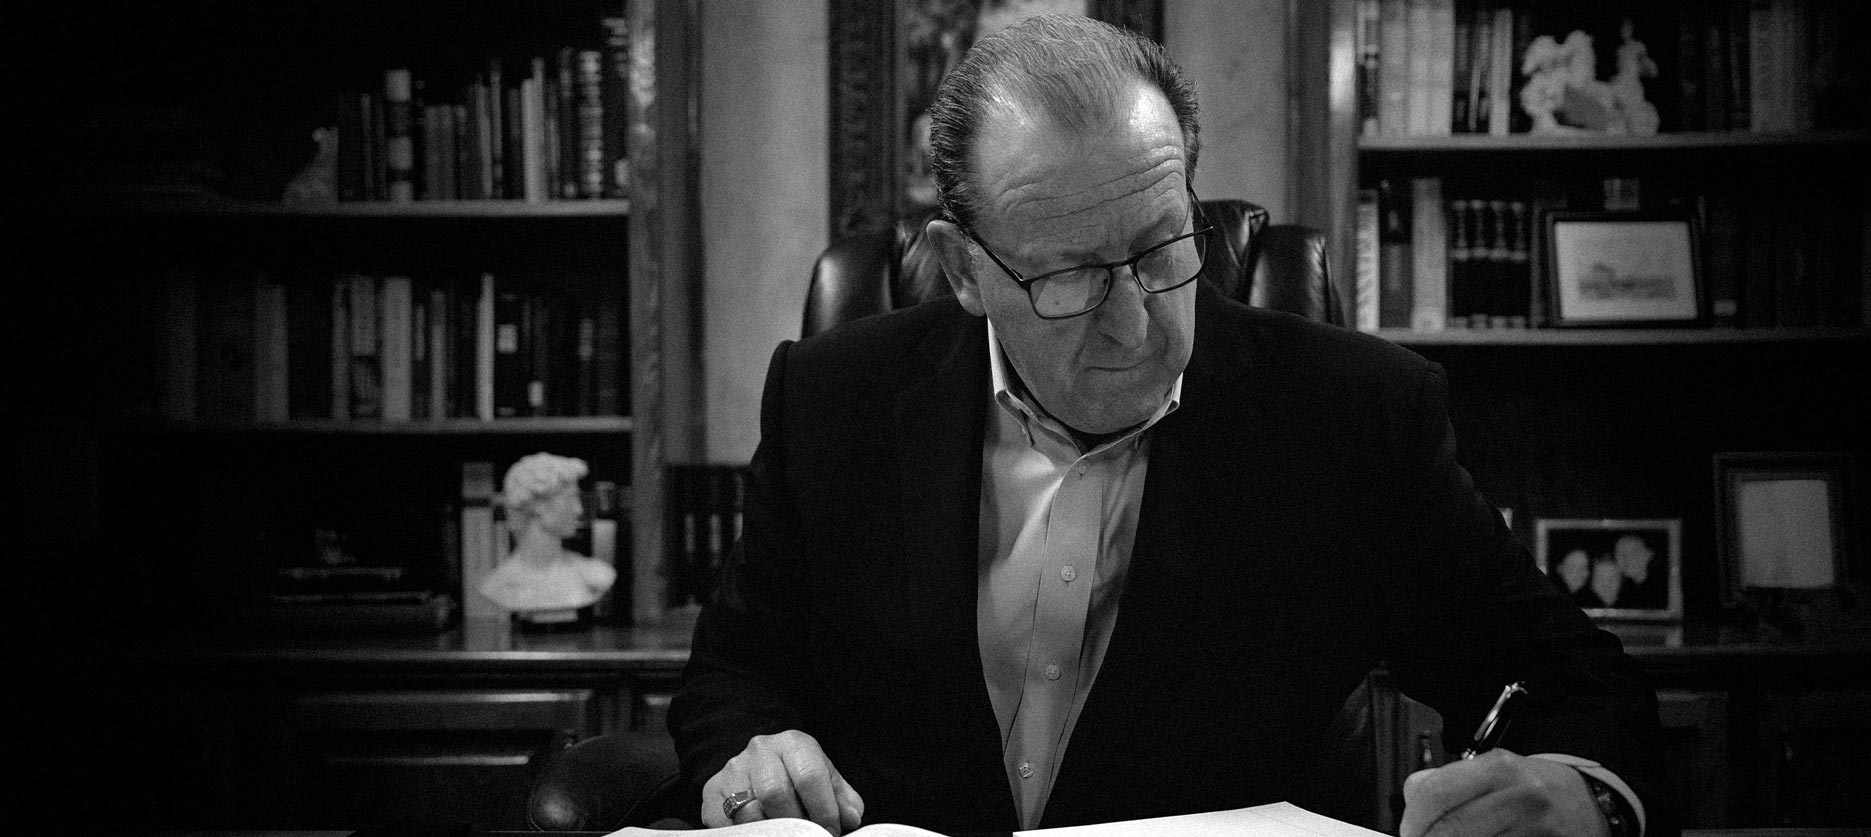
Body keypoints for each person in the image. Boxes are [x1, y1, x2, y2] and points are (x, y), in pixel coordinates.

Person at [667, 15, 1670, 837]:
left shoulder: (1350, 418)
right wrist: (750, 753)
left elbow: (1577, 683)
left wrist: (1577, 788)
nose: (1138, 320)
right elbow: (735, 672)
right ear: (966, 269)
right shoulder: (833, 398)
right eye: (1064, 275)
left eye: (1159, 247)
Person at [478, 452, 616, 614]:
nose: (578, 510)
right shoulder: (499, 584)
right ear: (538, 505)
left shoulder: (595, 574)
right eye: (570, 498)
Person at [1613, 533, 1667, 610]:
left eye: (1633, 553)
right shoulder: (1618, 590)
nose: (1627, 559)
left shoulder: (1661, 591)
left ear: (1648, 555)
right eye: (1620, 554)